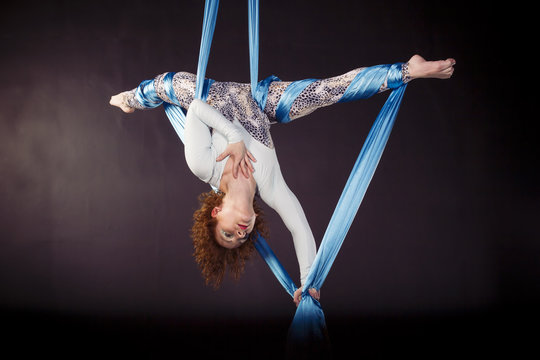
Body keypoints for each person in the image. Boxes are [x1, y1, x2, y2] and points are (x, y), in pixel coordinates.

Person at [110, 54, 455, 306]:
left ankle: (129, 99)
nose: (240, 233)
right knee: (324, 92)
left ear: (216, 214)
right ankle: (408, 70)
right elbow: (299, 228)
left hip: (209, 94)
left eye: (228, 233)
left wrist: (233, 138)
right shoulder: (271, 188)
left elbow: (198, 107)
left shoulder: (203, 166)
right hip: (259, 106)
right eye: (241, 239)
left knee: (167, 85)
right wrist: (308, 285)